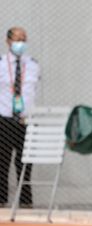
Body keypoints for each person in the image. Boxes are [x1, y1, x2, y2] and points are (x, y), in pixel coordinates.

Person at [0, 26, 40, 208]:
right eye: (17, 39)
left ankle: (25, 202)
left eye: (23, 39)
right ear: (8, 41)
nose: (20, 43)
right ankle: (1, 201)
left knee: (25, 163)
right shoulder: (1, 63)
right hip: (5, 118)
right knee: (3, 161)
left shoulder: (32, 64)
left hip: (26, 119)